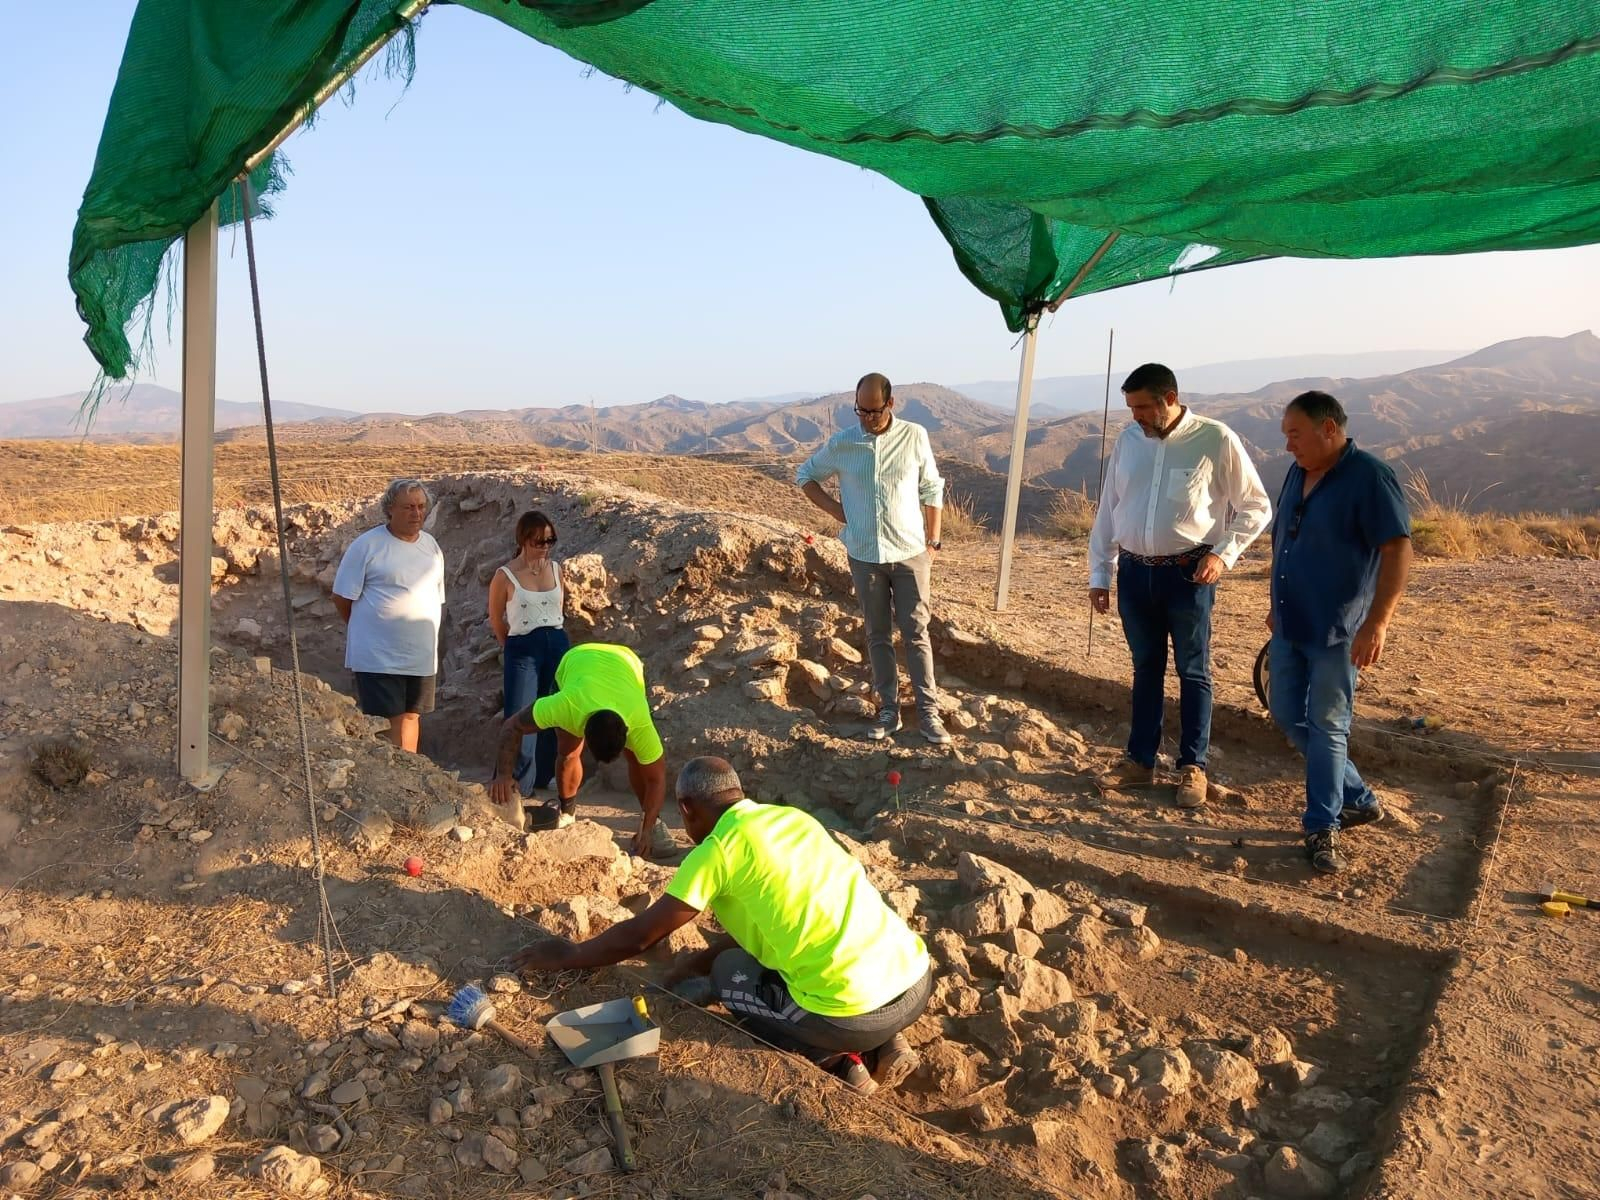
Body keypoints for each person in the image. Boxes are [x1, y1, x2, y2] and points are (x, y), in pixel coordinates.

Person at [511, 756, 932, 1095]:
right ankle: (889, 1042)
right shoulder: (792, 820)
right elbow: (773, 921)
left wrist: (573, 955)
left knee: (728, 974)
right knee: (752, 958)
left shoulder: (717, 850)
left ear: (687, 809)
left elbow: (643, 934)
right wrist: (692, 961)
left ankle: (842, 1061)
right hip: (914, 982)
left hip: (850, 1018)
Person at [1088, 364, 1272, 808]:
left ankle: (1193, 767)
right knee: (1145, 668)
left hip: (1189, 574)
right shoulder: (1129, 441)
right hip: (1134, 574)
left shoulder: (1215, 438)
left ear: (1169, 397)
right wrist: (1100, 573)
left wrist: (1222, 554)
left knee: (1193, 670)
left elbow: (1257, 506)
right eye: (1130, 407)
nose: (1134, 417)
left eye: (1142, 407)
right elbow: (1110, 510)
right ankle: (1139, 763)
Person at [1268, 390, 1412, 874]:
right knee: (1287, 712)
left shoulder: (1370, 477)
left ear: (1329, 428)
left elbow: (1397, 551)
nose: (1288, 445)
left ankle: (1322, 825)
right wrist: (1277, 605)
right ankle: (1358, 795)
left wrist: (1378, 623)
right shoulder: (1298, 472)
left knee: (1329, 726)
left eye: (1295, 434)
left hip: (1337, 630)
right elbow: (1286, 541)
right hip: (1290, 623)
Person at [796, 372, 950, 745]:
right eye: (860, 411)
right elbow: (805, 475)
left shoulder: (914, 436)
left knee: (916, 633)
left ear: (890, 404)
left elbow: (932, 487)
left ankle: (929, 713)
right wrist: (837, 510)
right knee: (877, 634)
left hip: (911, 552)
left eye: (873, 411)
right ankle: (888, 710)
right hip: (864, 555)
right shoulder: (844, 443)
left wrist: (934, 540)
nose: (866, 418)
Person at [488, 642, 669, 856]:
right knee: (568, 751)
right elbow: (512, 726)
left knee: (636, 759)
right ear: (583, 729)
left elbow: (656, 779)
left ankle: (650, 822)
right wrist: (503, 775)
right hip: (576, 659)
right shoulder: (565, 706)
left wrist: (646, 831)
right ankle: (567, 814)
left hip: (626, 662)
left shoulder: (639, 721)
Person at [332, 479, 446, 753]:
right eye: (408, 507)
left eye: (421, 507)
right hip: (378, 656)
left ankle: (412, 775)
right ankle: (396, 780)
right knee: (388, 721)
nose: (416, 513)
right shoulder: (367, 546)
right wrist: (367, 631)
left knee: (411, 715)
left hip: (419, 654)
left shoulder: (431, 546)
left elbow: (436, 596)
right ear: (390, 509)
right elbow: (342, 596)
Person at [487, 510, 570, 815]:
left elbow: (561, 607)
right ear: (523, 539)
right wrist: (510, 646)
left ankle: (545, 774)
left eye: (550, 540)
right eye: (539, 541)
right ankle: (516, 781)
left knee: (554, 708)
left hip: (557, 642)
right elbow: (496, 618)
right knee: (520, 711)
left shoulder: (557, 569)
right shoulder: (504, 575)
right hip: (523, 644)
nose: (545, 546)